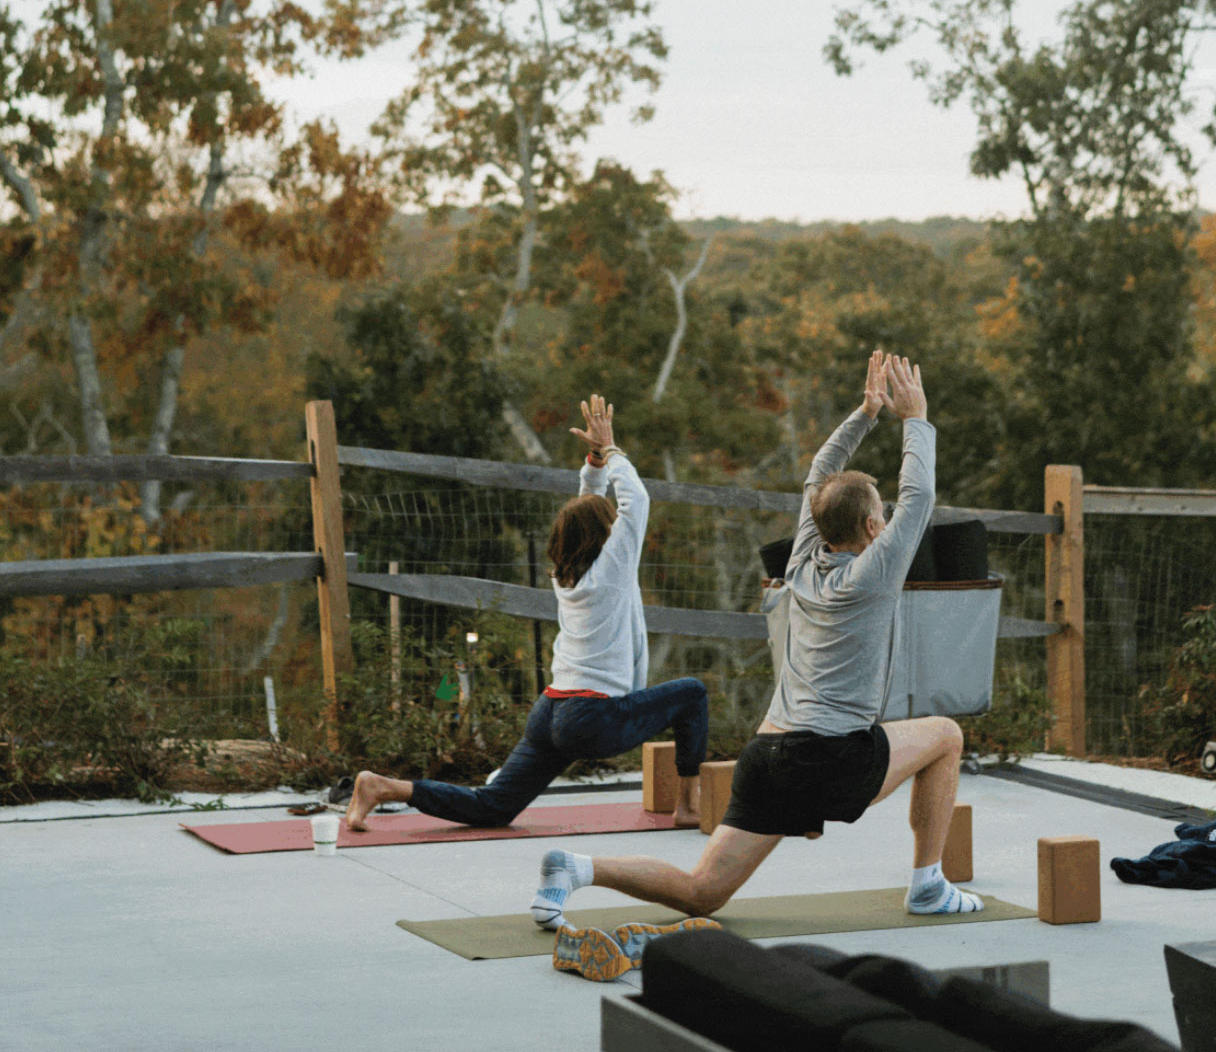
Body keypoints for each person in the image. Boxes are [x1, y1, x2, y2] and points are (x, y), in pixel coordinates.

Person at [530, 352, 982, 951]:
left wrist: (866, 414)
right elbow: (918, 494)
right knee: (946, 735)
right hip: (828, 758)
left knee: (702, 891)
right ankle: (928, 886)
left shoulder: (799, 562)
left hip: (767, 754)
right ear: (875, 531)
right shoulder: (870, 576)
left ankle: (578, 869)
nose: (890, 518)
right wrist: (914, 418)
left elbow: (818, 473)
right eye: (883, 515)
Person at [345, 394, 709, 833]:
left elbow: (585, 511)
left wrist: (593, 463)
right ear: (605, 535)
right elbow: (638, 501)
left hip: (551, 712)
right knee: (692, 693)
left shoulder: (568, 574)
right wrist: (611, 449)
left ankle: (383, 787)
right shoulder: (612, 569)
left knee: (493, 806)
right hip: (592, 719)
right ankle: (689, 806)